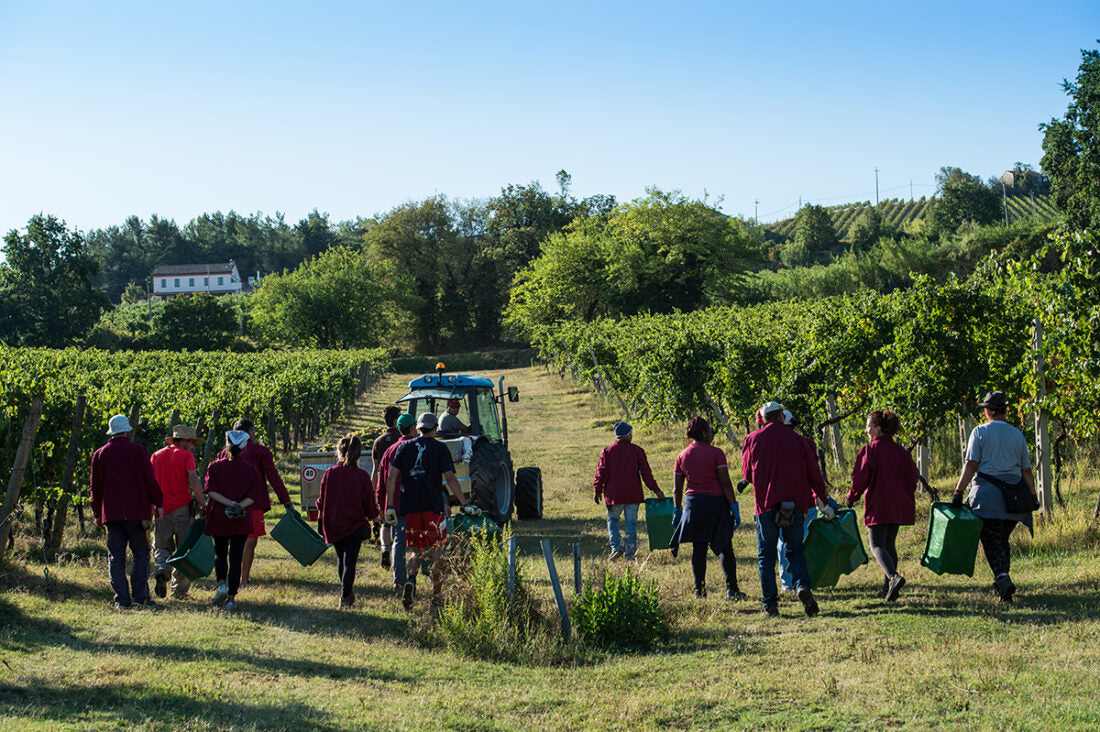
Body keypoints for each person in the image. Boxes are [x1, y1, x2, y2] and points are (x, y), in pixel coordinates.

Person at [742, 401, 831, 617]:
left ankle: (770, 606)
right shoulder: (800, 441)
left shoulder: (753, 439)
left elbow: (747, 475)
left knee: (766, 556)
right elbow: (814, 474)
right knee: (795, 550)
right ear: (782, 416)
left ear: (762, 419)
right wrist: (823, 499)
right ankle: (802, 587)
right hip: (795, 505)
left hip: (766, 505)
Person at [383, 412, 480, 609]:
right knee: (436, 552)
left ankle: (410, 579)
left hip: (410, 508)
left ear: (417, 428)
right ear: (435, 428)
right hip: (433, 508)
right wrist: (464, 502)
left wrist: (391, 505)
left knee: (416, 551)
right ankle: (436, 595)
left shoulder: (404, 447)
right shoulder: (440, 448)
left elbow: (391, 477)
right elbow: (451, 478)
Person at [951, 390, 1038, 603]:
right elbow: (1026, 470)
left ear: (989, 411)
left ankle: (1002, 578)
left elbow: (971, 464)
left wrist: (958, 492)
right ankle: (1003, 583)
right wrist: (1034, 495)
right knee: (1001, 539)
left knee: (991, 540)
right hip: (1014, 501)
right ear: (1005, 411)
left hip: (987, 500)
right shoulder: (1017, 434)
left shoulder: (980, 432)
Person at [669, 417, 747, 601]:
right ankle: (732, 590)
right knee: (725, 547)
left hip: (694, 505)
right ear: (704, 433)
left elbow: (677, 489)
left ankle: (700, 592)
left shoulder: (681, 456)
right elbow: (726, 483)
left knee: (699, 548)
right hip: (716, 504)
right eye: (710, 430)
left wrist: (677, 510)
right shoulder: (716, 453)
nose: (712, 433)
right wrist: (733, 506)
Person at [90, 415, 163, 609]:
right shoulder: (138, 451)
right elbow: (150, 481)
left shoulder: (99, 454)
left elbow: (95, 488)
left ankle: (121, 599)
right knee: (140, 553)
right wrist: (158, 503)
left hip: (112, 514)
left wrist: (98, 513)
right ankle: (140, 597)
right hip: (137, 512)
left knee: (116, 557)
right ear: (128, 431)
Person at [845, 409, 919, 602]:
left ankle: (893, 578)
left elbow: (859, 480)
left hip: (879, 503)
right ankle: (888, 587)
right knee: (889, 545)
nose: (866, 430)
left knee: (876, 545)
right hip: (899, 503)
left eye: (868, 426)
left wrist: (851, 498)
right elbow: (913, 477)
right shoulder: (901, 451)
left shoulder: (870, 451)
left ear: (877, 429)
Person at [218, 418, 293, 588]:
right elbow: (272, 476)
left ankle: (234, 577)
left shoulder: (224, 452)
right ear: (250, 432)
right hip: (252, 503)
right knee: (249, 541)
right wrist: (286, 501)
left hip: (229, 503)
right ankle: (243, 580)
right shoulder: (260, 451)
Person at [204, 430, 265, 610]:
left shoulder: (214, 466)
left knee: (220, 554)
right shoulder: (250, 469)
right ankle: (231, 598)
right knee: (236, 556)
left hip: (219, 515)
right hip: (240, 517)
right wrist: (239, 505)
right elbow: (254, 496)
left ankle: (221, 584)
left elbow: (211, 492)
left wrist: (228, 503)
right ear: (245, 448)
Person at [316, 433, 378, 608]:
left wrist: (320, 522)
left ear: (339, 452)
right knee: (350, 561)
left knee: (341, 560)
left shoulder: (330, 474)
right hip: (354, 525)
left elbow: (321, 501)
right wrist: (375, 517)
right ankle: (345, 596)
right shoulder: (362, 476)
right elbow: (368, 503)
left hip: (333, 524)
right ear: (358, 454)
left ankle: (347, 593)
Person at [592, 421, 665, 560]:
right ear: (628, 434)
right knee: (631, 523)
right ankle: (630, 553)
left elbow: (600, 473)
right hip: (633, 495)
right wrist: (656, 490)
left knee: (612, 520)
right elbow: (646, 474)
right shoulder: (637, 450)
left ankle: (616, 547)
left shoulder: (607, 452)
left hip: (613, 495)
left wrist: (597, 490)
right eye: (631, 433)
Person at [150, 424, 207, 599]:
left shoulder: (156, 456)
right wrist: (204, 504)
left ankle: (161, 570)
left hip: (160, 509)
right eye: (192, 443)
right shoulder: (186, 456)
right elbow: (194, 481)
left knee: (162, 546)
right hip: (182, 509)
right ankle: (180, 591)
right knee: (184, 550)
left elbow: (150, 482)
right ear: (184, 440)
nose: (194, 447)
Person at [377, 413, 418, 594]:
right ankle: (412, 577)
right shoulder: (417, 447)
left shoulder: (389, 450)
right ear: (411, 428)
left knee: (398, 542)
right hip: (416, 504)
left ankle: (398, 581)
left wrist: (382, 504)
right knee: (417, 544)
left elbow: (382, 480)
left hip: (395, 504)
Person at [372, 406, 404, 570]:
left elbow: (376, 469)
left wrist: (373, 493)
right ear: (395, 421)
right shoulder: (404, 439)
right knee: (401, 522)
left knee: (385, 522)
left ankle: (385, 548)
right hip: (401, 485)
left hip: (383, 485)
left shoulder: (378, 441)